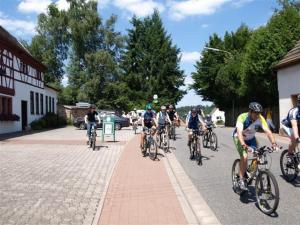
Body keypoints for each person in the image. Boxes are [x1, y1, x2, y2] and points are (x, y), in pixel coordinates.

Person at [232, 102, 278, 191]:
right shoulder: (242, 117)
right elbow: (239, 132)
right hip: (239, 138)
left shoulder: (260, 118)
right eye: (256, 113)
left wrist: (274, 143)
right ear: (250, 111)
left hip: (251, 138)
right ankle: (241, 179)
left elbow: (268, 131)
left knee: (259, 154)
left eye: (259, 113)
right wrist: (243, 144)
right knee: (244, 157)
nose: (257, 115)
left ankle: (249, 171)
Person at [281, 95, 300, 159]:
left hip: (298, 126)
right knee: (294, 138)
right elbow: (294, 126)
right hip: (288, 126)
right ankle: (289, 154)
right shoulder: (294, 111)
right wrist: (297, 138)